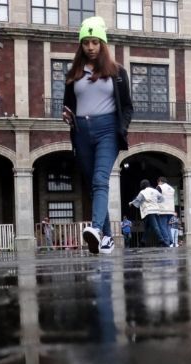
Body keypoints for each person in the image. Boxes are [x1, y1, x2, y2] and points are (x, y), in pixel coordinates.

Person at [62, 16, 133, 255]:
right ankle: (108, 239)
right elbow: (68, 104)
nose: (90, 47)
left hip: (107, 131)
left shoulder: (117, 72)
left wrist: (121, 129)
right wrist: (67, 116)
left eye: (95, 42)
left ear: (103, 43)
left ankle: (94, 230)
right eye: (86, 42)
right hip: (82, 131)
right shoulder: (73, 73)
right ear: (81, 45)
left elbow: (127, 107)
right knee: (93, 185)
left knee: (100, 179)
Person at [129, 179, 163, 247]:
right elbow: (162, 198)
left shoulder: (143, 192)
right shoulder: (155, 190)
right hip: (156, 210)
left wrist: (131, 203)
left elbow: (138, 199)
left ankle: (161, 240)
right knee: (148, 226)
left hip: (149, 211)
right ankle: (143, 241)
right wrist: (156, 202)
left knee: (155, 226)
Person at [154, 177, 175, 247]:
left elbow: (155, 196)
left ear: (160, 181)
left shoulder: (160, 187)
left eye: (158, 182)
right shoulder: (171, 188)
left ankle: (166, 241)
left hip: (163, 209)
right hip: (171, 210)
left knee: (162, 226)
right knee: (167, 225)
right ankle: (170, 240)